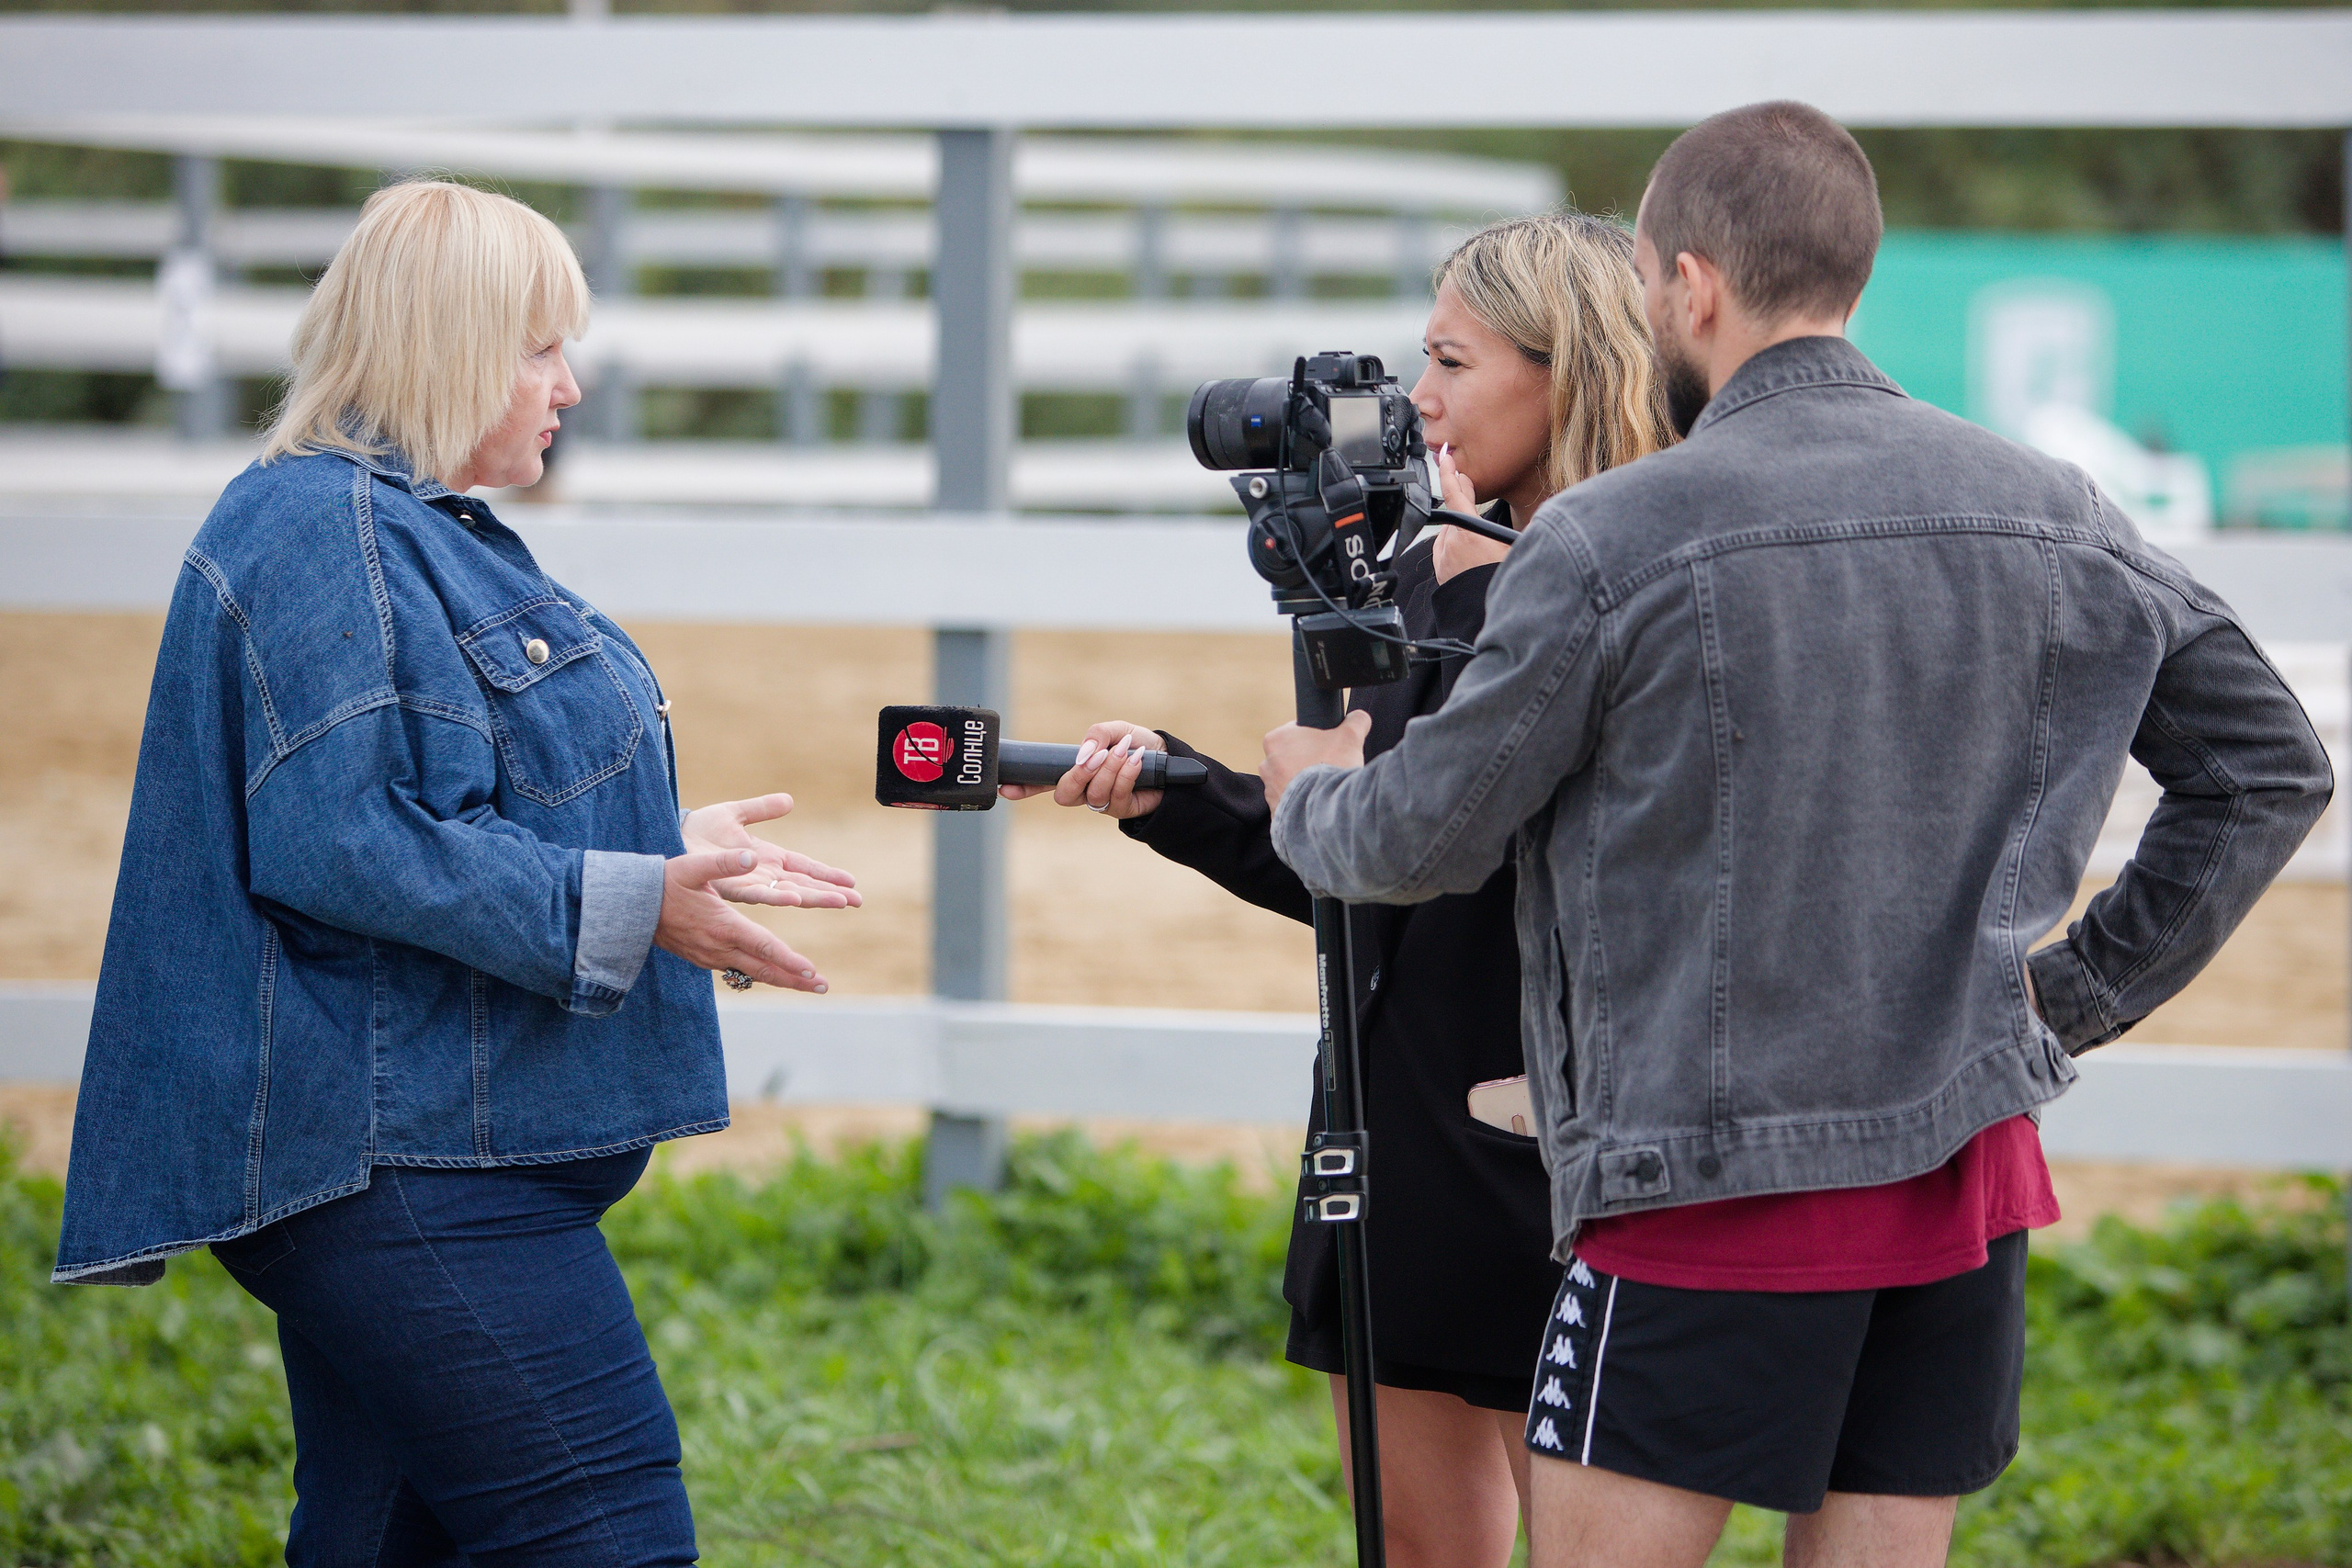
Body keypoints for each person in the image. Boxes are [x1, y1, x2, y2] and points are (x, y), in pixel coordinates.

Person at [1259, 102, 2332, 1568]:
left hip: (1699, 1180)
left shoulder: (1612, 536)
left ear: (1692, 284)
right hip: (1963, 1166)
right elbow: (2268, 769)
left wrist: (1308, 790)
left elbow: (1411, 842)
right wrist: (2062, 997)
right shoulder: (2056, 508)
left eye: (1650, 280)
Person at [51, 179, 859, 1564]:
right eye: (541, 348)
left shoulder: (388, 527)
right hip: (412, 1169)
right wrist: (627, 900)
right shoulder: (331, 533)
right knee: (612, 1539)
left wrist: (656, 850)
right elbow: (346, 840)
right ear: (452, 346)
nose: (570, 385)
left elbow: (435, 799)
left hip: (418, 1160)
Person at [1004, 212, 1675, 1566]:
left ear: (1574, 371)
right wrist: (1180, 793)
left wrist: (1457, 633)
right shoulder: (1415, 566)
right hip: (1384, 1121)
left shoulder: (1640, 584)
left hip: (1551, 1137)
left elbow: (1489, 849)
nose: (1417, 399)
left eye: (1453, 362)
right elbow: (1366, 859)